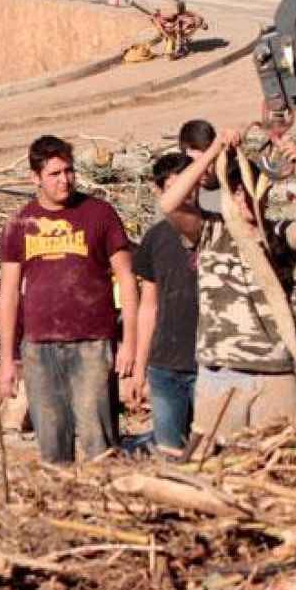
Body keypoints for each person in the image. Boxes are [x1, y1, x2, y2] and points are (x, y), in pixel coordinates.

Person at [158, 127, 296, 445]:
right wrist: (214, 150)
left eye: (254, 190)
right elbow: (170, 204)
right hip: (221, 372)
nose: (247, 199)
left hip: (275, 372)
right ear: (229, 195)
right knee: (213, 463)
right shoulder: (210, 231)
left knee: (278, 460)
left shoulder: (278, 235)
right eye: (238, 191)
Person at [0, 135, 138, 465]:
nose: (65, 180)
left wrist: (128, 343)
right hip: (39, 349)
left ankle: (106, 504)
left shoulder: (99, 214)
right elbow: (8, 295)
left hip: (92, 345)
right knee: (51, 446)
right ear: (35, 178)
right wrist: (7, 359)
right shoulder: (19, 224)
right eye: (55, 174)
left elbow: (127, 280)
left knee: (97, 443)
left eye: (69, 171)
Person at [130, 152, 199, 458]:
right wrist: (139, 367)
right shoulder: (155, 239)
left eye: (189, 184)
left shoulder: (214, 230)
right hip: (165, 368)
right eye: (174, 188)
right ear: (159, 192)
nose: (184, 195)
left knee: (214, 453)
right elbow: (149, 306)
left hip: (210, 365)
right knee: (170, 454)